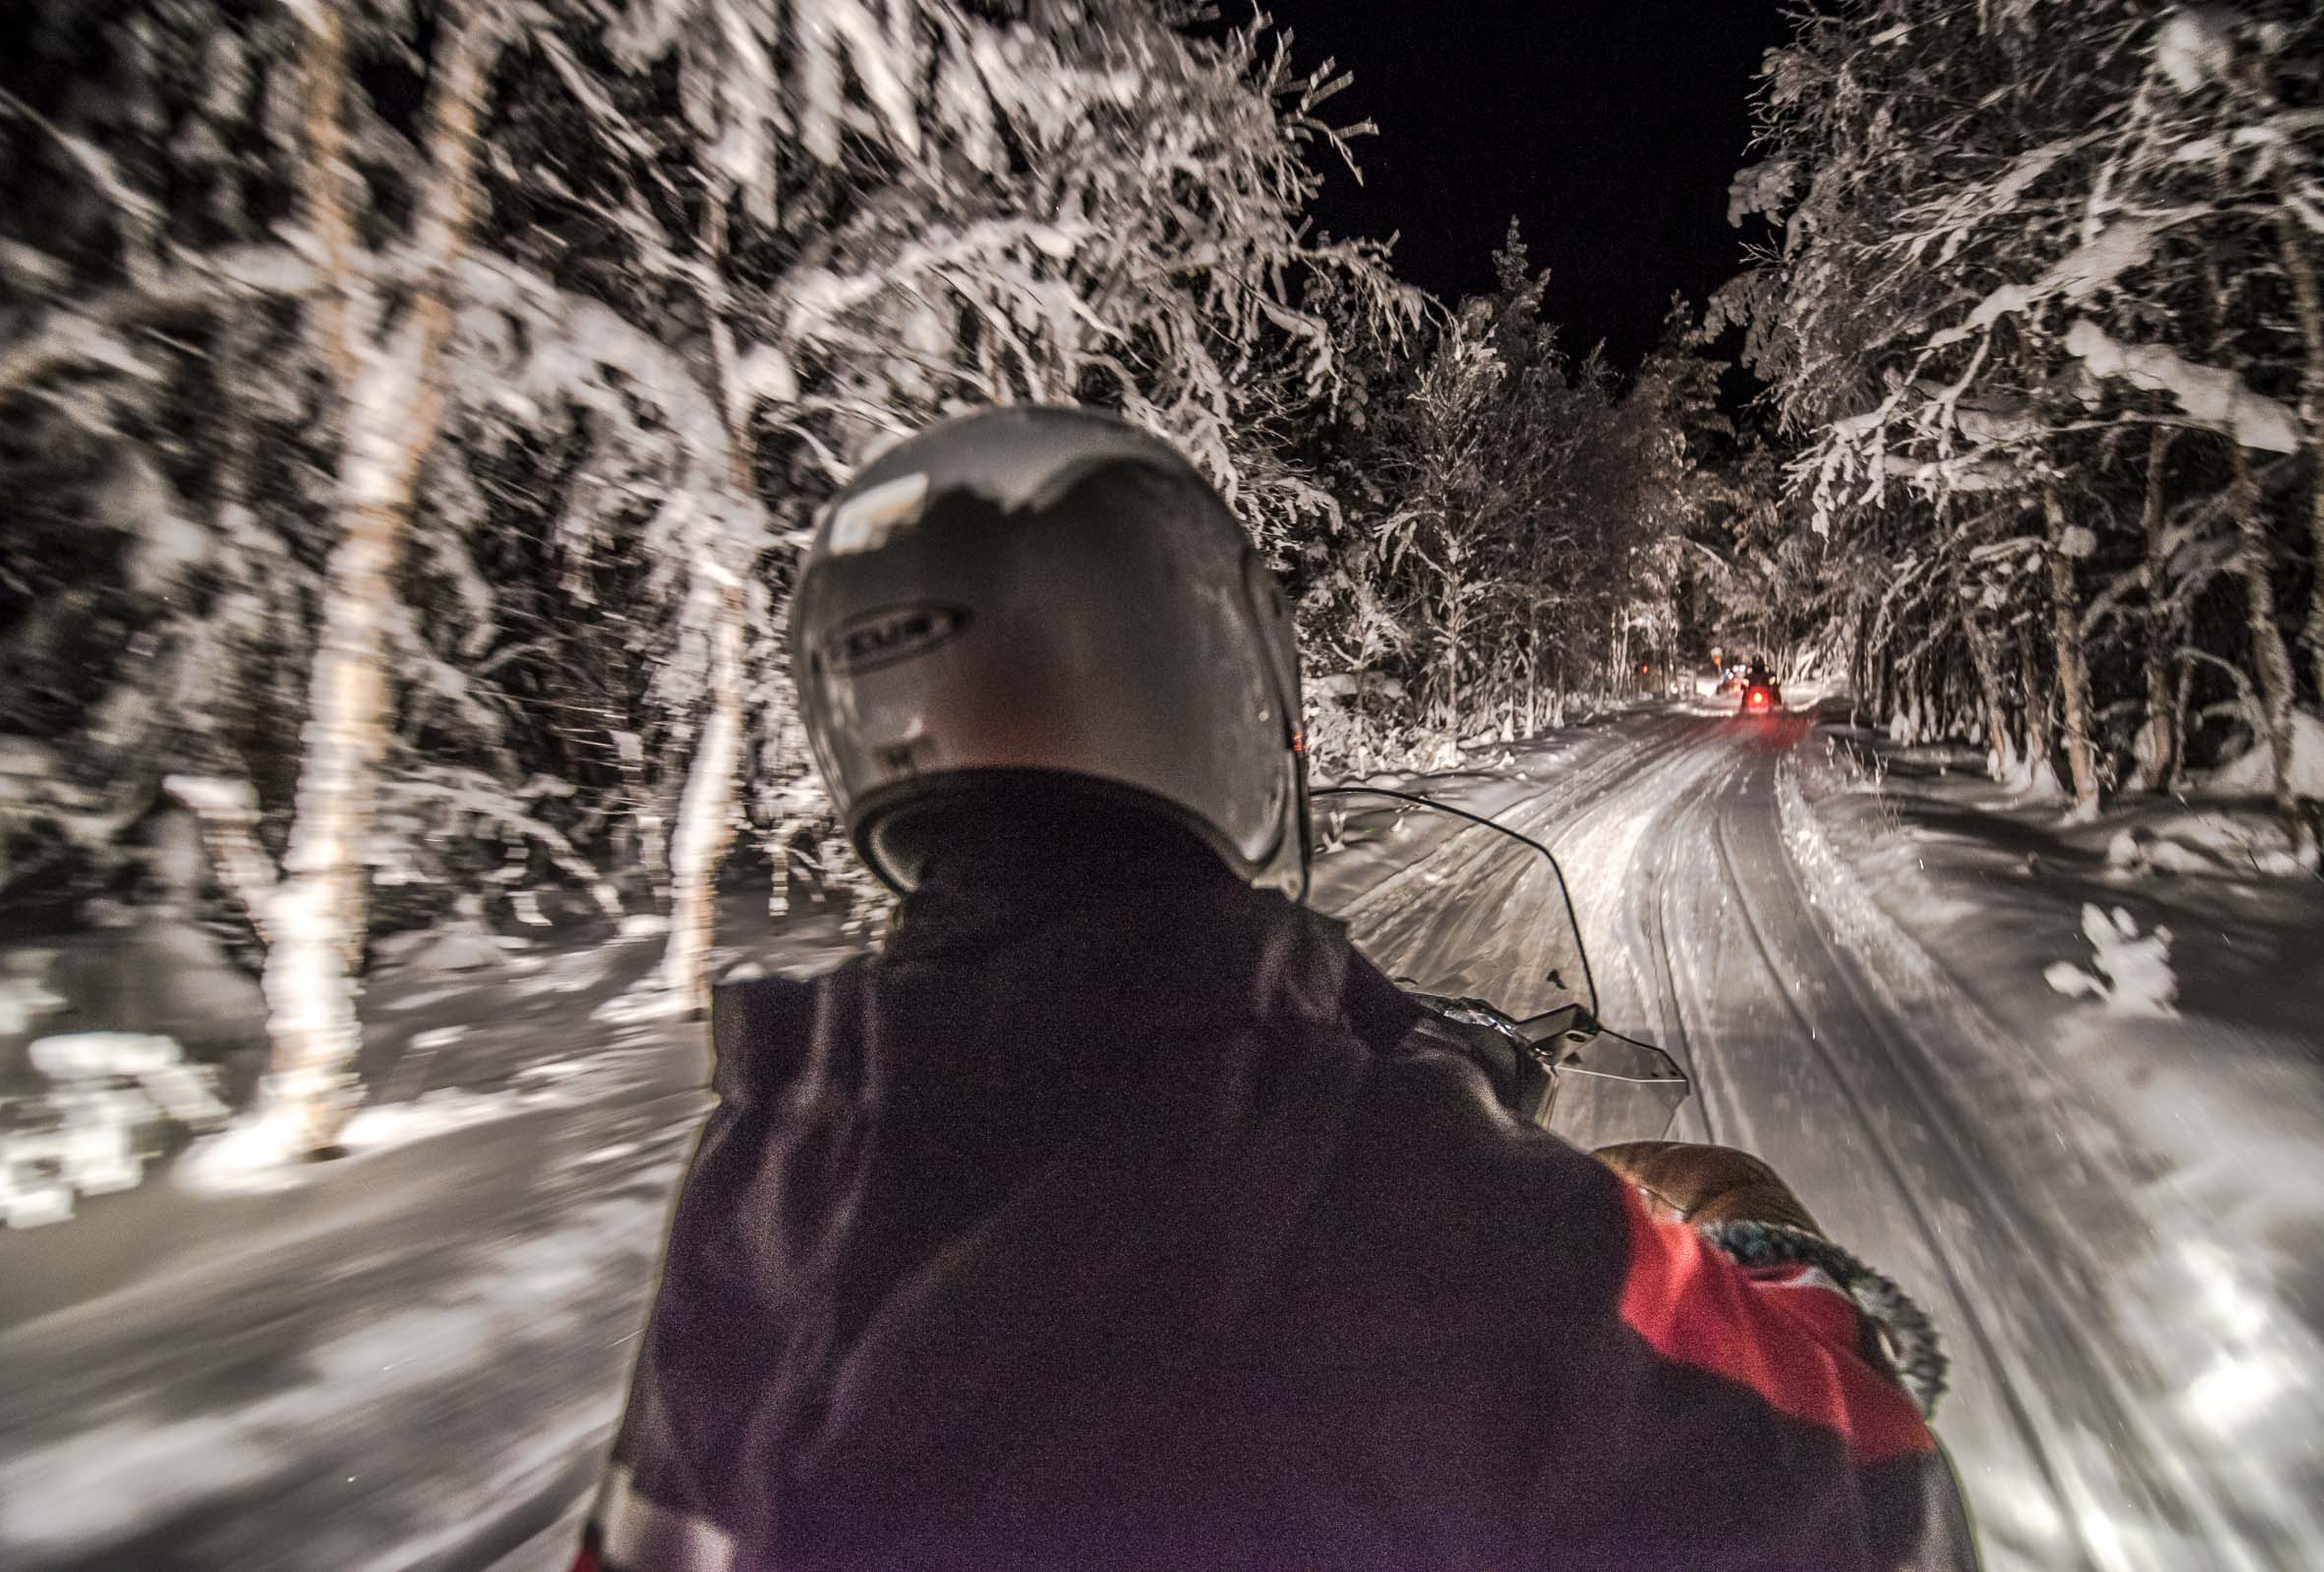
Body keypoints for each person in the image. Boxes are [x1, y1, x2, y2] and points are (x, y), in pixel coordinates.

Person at [575, 407, 1977, 1572]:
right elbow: (1881, 1499)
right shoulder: (1433, 1209)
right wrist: (1769, 1277)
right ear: (1220, 685)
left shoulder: (764, 1181)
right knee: (1719, 1182)